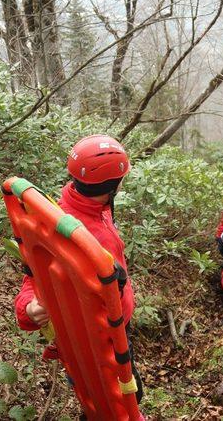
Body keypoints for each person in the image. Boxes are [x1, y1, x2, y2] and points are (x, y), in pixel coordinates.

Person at [13, 134, 144, 404]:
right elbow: (34, 278)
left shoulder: (70, 205)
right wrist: (28, 308)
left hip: (112, 327)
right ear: (114, 185)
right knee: (121, 400)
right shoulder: (79, 234)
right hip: (101, 340)